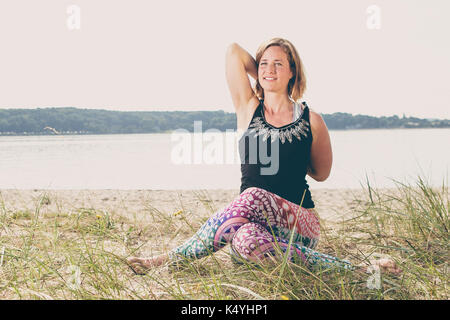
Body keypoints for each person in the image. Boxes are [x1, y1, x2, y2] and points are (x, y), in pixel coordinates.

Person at [127, 38, 401, 276]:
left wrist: (289, 158)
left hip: (299, 220)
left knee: (254, 195)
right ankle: (360, 270)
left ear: (293, 71)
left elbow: (321, 173)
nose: (270, 69)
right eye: (264, 63)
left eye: (279, 64)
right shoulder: (248, 108)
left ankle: (166, 259)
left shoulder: (312, 120)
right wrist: (262, 69)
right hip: (254, 222)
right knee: (246, 241)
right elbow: (233, 51)